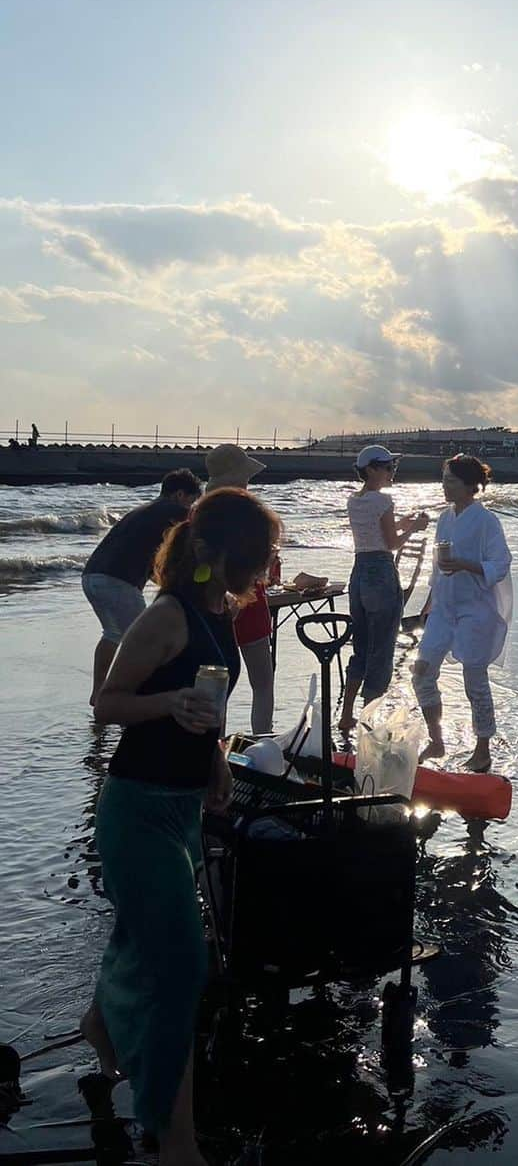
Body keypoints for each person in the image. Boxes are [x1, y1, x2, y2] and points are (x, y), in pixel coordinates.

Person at [82, 488, 281, 1166]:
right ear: (208, 552)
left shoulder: (221, 607)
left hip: (182, 807)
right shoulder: (166, 615)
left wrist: (216, 767)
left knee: (143, 931)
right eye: (250, 561)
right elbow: (108, 704)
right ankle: (177, 1142)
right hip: (135, 809)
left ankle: (101, 1024)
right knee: (181, 967)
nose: (258, 574)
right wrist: (169, 701)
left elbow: (209, 705)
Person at [413, 455, 512, 772]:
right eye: (443, 479)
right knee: (421, 672)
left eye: (451, 481)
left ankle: (483, 749)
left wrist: (467, 565)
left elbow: (501, 563)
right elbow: (437, 567)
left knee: (474, 681)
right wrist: (428, 603)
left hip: (475, 609)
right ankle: (436, 739)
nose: (444, 485)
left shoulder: (486, 521)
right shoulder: (445, 517)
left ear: (472, 485)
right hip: (443, 607)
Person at [82, 469, 203, 705]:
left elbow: (149, 562)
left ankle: (98, 695)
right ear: (180, 495)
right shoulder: (175, 512)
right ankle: (131, 699)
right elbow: (196, 538)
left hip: (92, 577)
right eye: (192, 500)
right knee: (147, 642)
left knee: (113, 634)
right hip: (119, 581)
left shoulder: (142, 511)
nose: (191, 506)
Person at [339, 445, 428, 732]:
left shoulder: (355, 500)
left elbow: (376, 531)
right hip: (381, 572)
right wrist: (415, 527)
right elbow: (390, 543)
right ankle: (369, 720)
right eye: (389, 467)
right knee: (383, 647)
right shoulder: (383, 501)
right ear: (373, 469)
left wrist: (405, 523)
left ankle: (346, 714)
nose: (392, 472)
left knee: (362, 645)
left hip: (359, 572)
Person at [203, 443, 275, 733]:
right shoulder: (251, 512)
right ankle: (262, 741)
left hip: (212, 601)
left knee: (217, 683)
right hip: (250, 598)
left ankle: (214, 748)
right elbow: (264, 563)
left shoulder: (201, 513)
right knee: (262, 682)